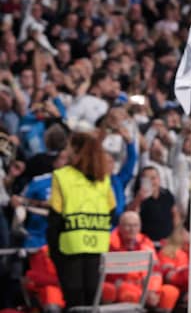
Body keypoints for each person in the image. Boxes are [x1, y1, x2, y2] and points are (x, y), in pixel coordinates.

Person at [47, 131, 116, 308]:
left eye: (69, 146)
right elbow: (112, 210)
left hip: (69, 249)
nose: (67, 150)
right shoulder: (104, 179)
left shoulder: (62, 176)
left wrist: (53, 251)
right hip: (97, 247)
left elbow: (55, 216)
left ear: (77, 150)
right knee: (93, 303)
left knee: (75, 304)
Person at [103, 211, 180, 312]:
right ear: (120, 226)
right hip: (123, 287)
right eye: (128, 225)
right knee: (130, 294)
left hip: (145, 287)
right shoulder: (111, 243)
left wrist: (152, 290)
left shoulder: (145, 241)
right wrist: (143, 293)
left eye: (135, 225)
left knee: (170, 293)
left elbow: (155, 270)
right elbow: (112, 277)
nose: (132, 229)